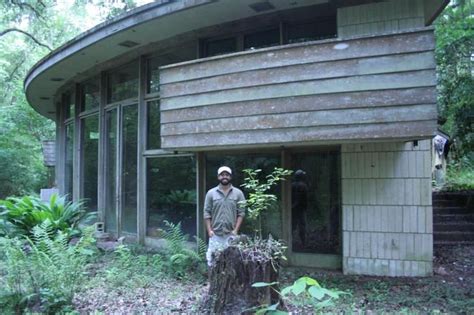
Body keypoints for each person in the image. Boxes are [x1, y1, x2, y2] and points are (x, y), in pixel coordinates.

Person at [204, 166, 246, 267]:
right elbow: (206, 213)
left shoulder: (238, 193)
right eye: (222, 175)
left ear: (230, 177)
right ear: (218, 177)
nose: (224, 177)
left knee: (231, 261)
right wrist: (209, 231)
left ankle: (230, 282)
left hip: (231, 234)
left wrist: (235, 230)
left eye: (227, 175)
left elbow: (241, 213)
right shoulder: (211, 193)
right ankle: (213, 281)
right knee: (212, 261)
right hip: (215, 234)